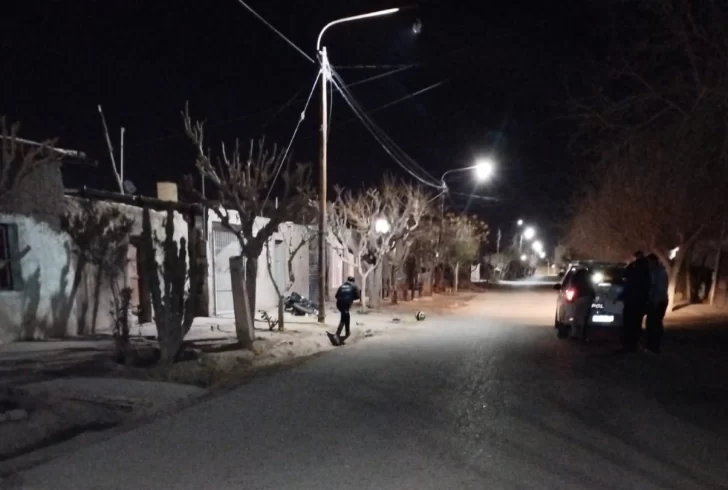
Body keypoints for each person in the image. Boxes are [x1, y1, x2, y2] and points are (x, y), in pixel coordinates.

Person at [619, 251, 651, 352]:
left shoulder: (637, 268)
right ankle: (632, 344)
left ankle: (630, 344)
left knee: (630, 323)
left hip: (633, 300)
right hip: (638, 300)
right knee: (635, 323)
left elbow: (625, 275)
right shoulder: (645, 269)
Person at [646, 253, 669, 353]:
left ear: (653, 262)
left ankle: (654, 346)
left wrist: (655, 302)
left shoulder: (660, 273)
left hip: (659, 302)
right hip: (654, 301)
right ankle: (651, 345)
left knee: (655, 323)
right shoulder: (654, 272)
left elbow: (660, 289)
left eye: (649, 262)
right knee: (651, 323)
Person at [335, 276, 360, 344]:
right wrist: (351, 297)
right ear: (353, 281)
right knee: (343, 319)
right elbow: (358, 296)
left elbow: (336, 296)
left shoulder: (342, 286)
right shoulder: (354, 286)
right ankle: (337, 335)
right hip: (346, 303)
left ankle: (347, 332)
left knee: (346, 316)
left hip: (339, 304)